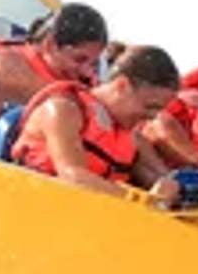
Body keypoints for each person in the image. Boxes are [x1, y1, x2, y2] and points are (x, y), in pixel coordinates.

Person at [17, 43, 176, 193]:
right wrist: (140, 201)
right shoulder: (63, 110)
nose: (152, 117)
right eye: (149, 107)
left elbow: (160, 180)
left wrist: (168, 192)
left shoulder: (133, 137)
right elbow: (73, 177)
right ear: (122, 86)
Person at [0, 1, 111, 110]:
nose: (88, 72)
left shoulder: (87, 85)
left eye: (94, 64)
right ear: (50, 45)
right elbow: (63, 107)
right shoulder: (3, 62)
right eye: (79, 59)